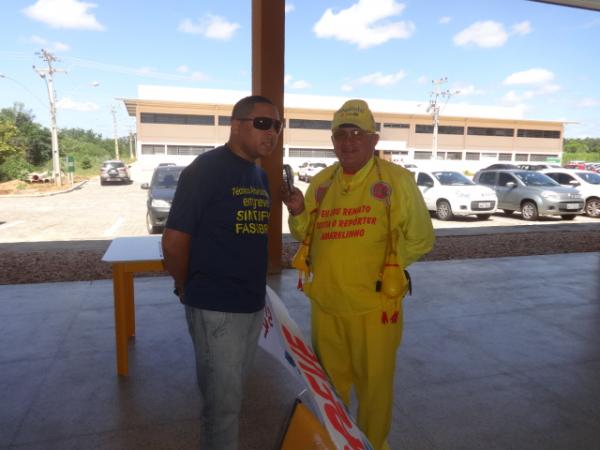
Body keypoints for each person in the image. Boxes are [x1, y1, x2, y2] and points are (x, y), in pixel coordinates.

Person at [282, 99, 435, 450]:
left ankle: (372, 445)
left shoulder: (397, 181)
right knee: (330, 389)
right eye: (341, 135)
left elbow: (422, 238)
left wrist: (388, 268)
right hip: (326, 305)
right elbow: (306, 235)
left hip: (375, 308)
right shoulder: (321, 182)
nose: (348, 142)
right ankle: (337, 442)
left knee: (374, 389)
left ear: (374, 140)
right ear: (332, 140)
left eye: (357, 134)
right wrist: (297, 210)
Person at [162, 95, 281, 450]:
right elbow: (173, 242)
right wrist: (187, 286)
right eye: (263, 123)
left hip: (251, 305)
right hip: (217, 308)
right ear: (236, 125)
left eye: (277, 125)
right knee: (223, 409)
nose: (272, 132)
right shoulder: (206, 169)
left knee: (232, 396)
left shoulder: (259, 175)